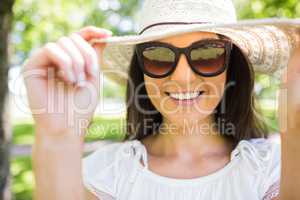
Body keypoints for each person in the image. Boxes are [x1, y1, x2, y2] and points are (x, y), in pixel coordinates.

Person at [22, 0, 300, 199]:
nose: (183, 78)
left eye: (207, 54)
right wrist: (58, 137)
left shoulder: (271, 169)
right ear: (141, 71)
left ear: (231, 66)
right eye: (158, 56)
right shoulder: (107, 173)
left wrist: (296, 130)